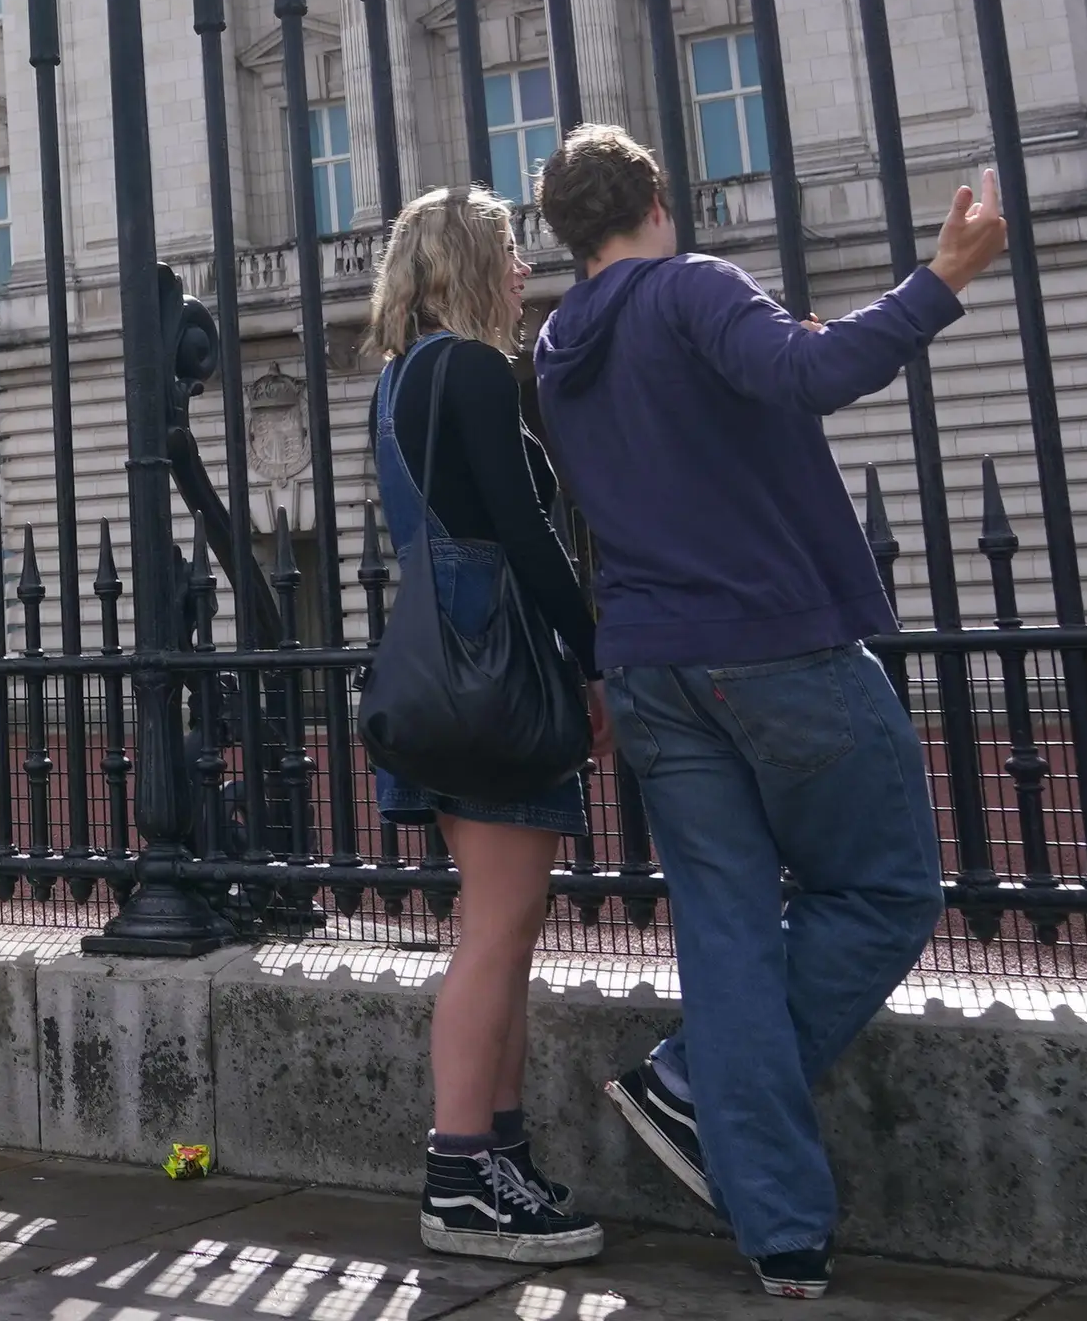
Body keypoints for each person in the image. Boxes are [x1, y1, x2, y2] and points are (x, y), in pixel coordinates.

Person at [533, 125, 1002, 1300]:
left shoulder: (553, 346)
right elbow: (809, 372)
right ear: (655, 194)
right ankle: (692, 1084)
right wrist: (938, 279)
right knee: (887, 888)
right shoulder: (691, 286)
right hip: (773, 643)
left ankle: (782, 1232)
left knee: (727, 930)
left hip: (648, 662)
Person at [362, 186, 606, 1265]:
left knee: (499, 931)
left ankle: (496, 1156)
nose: (523, 273)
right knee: (496, 935)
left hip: (445, 665)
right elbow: (521, 530)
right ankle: (461, 1173)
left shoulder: (398, 380)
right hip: (498, 668)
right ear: (470, 262)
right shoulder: (468, 367)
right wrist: (595, 660)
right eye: (509, 254)